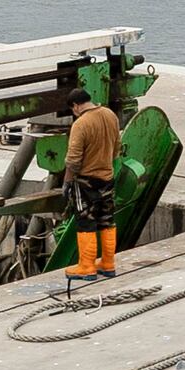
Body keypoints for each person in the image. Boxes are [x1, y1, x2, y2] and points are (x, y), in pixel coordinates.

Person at [62, 87, 126, 278]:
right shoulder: (110, 115)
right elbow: (116, 147)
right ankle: (108, 263)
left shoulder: (81, 124)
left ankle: (87, 267)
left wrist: (67, 182)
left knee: (86, 222)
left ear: (75, 106)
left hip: (86, 182)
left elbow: (73, 160)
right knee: (107, 220)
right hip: (107, 178)